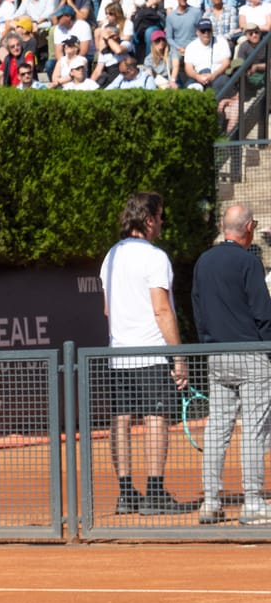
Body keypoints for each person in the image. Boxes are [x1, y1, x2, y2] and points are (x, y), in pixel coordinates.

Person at [99, 191, 189, 515]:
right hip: (151, 354)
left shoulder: (110, 257)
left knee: (120, 420)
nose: (163, 222)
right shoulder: (155, 257)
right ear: (149, 220)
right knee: (155, 419)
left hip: (118, 355)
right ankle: (154, 493)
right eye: (160, 216)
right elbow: (162, 310)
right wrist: (179, 358)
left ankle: (126, 495)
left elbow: (108, 310)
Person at [192, 205, 271, 525]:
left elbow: (198, 310)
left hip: (217, 355)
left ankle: (211, 501)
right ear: (249, 227)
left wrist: (209, 345)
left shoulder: (203, 262)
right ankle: (253, 502)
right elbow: (263, 314)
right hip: (252, 354)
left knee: (217, 429)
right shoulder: (250, 262)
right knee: (253, 429)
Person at [183, 17, 231, 92]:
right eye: (203, 31)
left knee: (222, 81)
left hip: (217, 75)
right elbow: (188, 68)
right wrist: (197, 76)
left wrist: (214, 75)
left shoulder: (222, 42)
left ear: (212, 30)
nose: (206, 33)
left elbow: (226, 62)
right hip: (198, 76)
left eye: (208, 30)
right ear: (197, 32)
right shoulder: (191, 47)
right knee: (190, 87)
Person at [165, 0, 201, 64]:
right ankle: (174, 77)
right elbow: (169, 37)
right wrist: (178, 48)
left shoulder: (196, 12)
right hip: (178, 49)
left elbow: (200, 32)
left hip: (194, 47)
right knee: (175, 60)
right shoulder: (171, 16)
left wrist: (193, 47)